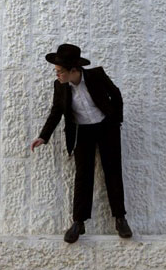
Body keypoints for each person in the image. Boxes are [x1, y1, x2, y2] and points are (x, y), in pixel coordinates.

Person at [31, 43, 132, 243]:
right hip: (82, 132)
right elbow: (56, 111)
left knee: (112, 172)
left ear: (74, 70)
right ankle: (79, 222)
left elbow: (116, 94)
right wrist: (44, 136)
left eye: (60, 71)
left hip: (105, 128)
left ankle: (120, 219)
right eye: (56, 71)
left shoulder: (96, 76)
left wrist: (116, 121)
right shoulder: (59, 85)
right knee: (83, 176)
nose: (57, 75)